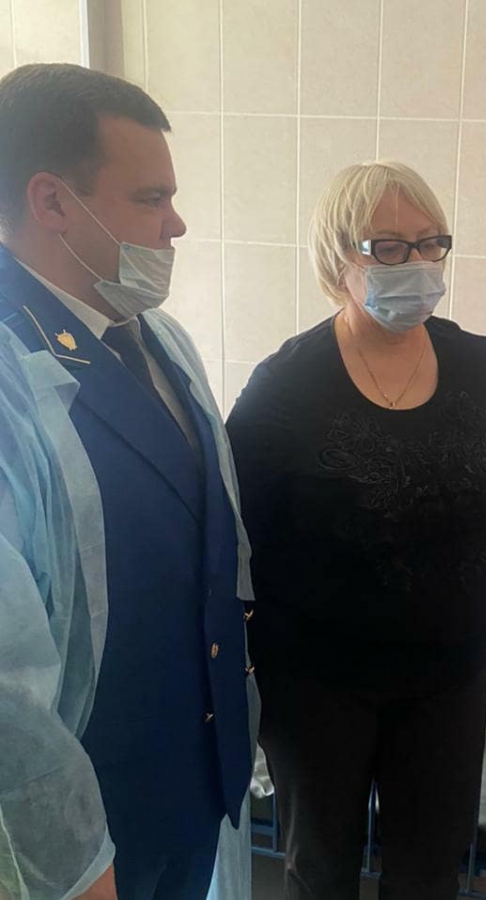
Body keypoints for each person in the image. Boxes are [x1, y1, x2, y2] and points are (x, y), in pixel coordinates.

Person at [226, 160, 486, 900]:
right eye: (390, 247)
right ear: (339, 258)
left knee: (430, 873)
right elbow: (235, 531)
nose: (419, 263)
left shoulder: (475, 363)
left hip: (448, 675)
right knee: (320, 870)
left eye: (432, 243)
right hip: (316, 683)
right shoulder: (286, 385)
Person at [0, 64, 255, 900]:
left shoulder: (159, 341)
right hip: (83, 834)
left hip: (189, 783)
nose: (176, 224)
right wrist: (71, 860)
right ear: (52, 202)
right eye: (151, 199)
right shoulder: (9, 381)